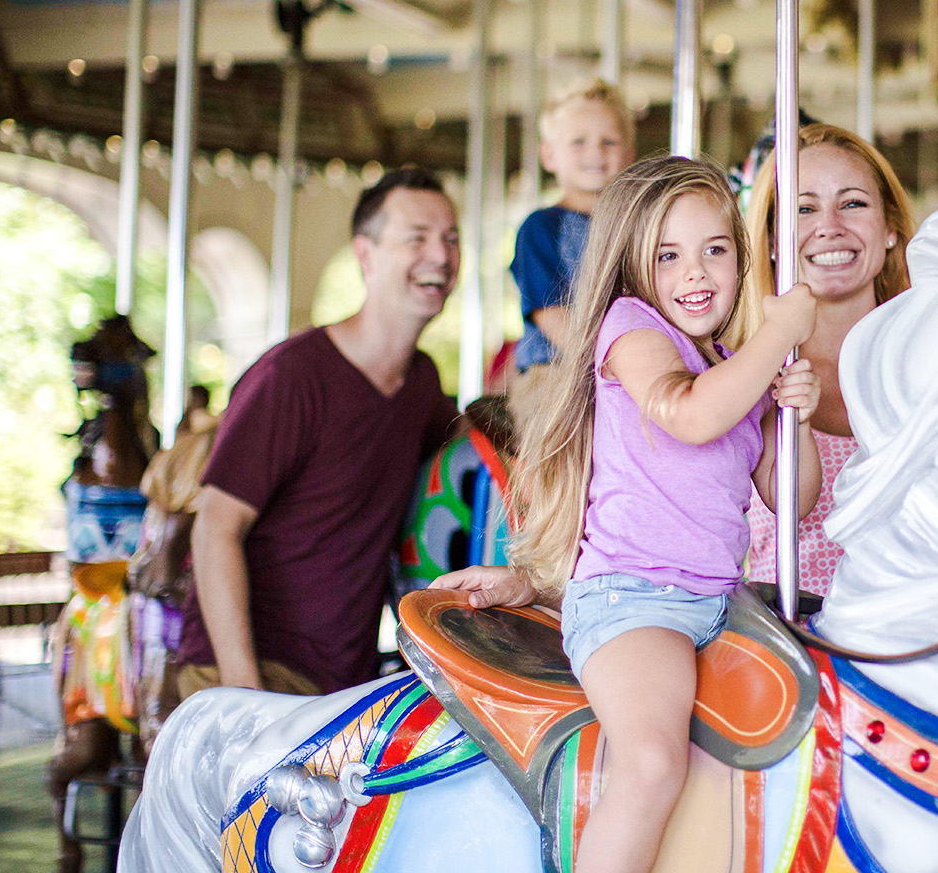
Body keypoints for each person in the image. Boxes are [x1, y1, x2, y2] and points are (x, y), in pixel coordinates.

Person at [435, 156, 822, 873]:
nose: (695, 272)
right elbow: (688, 414)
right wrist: (779, 335)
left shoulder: (733, 362)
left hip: (718, 605)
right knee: (649, 764)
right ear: (637, 270)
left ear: (741, 257)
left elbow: (789, 499)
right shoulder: (632, 330)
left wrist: (793, 410)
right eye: (667, 256)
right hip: (635, 602)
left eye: (715, 249)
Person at [178, 167, 460, 697]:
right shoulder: (293, 376)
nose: (441, 257)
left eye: (451, 239)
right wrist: (243, 687)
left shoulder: (420, 384)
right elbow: (215, 525)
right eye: (416, 238)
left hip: (337, 682)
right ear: (366, 255)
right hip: (250, 670)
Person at [736, 123, 916, 595]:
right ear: (773, 240)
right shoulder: (742, 375)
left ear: (890, 227)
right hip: (792, 640)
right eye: (803, 209)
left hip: (916, 633)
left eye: (853, 203)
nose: (829, 226)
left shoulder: (930, 367)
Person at [509, 78, 637, 425]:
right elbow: (553, 317)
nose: (595, 152)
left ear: (628, 153)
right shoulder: (541, 228)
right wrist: (621, 364)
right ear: (549, 154)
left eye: (608, 141)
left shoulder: (637, 230)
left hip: (627, 369)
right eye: (578, 142)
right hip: (557, 370)